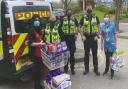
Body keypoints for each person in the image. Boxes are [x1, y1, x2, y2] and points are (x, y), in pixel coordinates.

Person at [79, 5, 100, 76]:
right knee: (86, 55)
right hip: (87, 38)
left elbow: (99, 26)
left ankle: (96, 69)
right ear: (86, 9)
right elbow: (79, 27)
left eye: (90, 8)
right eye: (88, 8)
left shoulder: (95, 17)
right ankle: (86, 69)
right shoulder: (83, 18)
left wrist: (97, 36)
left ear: (92, 9)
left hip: (94, 38)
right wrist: (82, 35)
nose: (89, 9)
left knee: (95, 55)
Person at [59, 10, 79, 75]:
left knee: (72, 55)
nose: (69, 13)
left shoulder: (74, 19)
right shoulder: (63, 19)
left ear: (71, 13)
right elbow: (59, 28)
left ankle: (72, 68)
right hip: (65, 39)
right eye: (68, 12)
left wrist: (76, 34)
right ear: (66, 13)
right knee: (65, 55)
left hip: (72, 39)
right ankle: (65, 68)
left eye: (70, 12)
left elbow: (78, 26)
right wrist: (62, 36)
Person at [28, 14, 44, 89]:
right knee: (37, 70)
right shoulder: (31, 30)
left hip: (40, 53)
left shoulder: (39, 29)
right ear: (33, 21)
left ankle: (38, 86)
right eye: (35, 20)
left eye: (38, 20)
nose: (37, 21)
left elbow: (41, 39)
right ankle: (37, 86)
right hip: (35, 54)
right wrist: (39, 44)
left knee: (38, 71)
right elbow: (31, 43)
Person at [101, 13, 117, 79]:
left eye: (107, 17)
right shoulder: (103, 26)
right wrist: (101, 45)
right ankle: (106, 69)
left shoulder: (112, 25)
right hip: (106, 45)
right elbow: (102, 36)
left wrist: (116, 44)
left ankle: (112, 72)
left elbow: (115, 34)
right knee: (107, 59)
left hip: (112, 44)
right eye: (105, 17)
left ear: (109, 18)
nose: (106, 18)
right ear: (104, 18)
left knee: (111, 59)